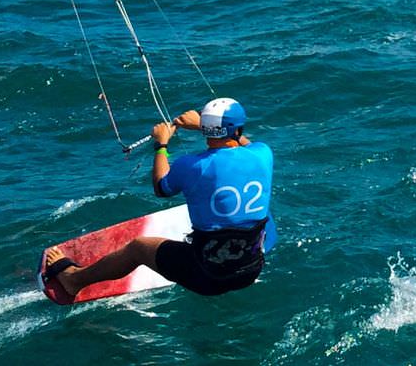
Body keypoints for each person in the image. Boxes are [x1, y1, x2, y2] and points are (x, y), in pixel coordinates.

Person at [42, 97, 273, 304]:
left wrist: (161, 145)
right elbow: (244, 142)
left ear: (206, 130)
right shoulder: (264, 154)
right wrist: (206, 126)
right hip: (250, 270)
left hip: (208, 276)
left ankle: (73, 280)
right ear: (237, 128)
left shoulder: (192, 165)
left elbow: (162, 188)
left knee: (139, 247)